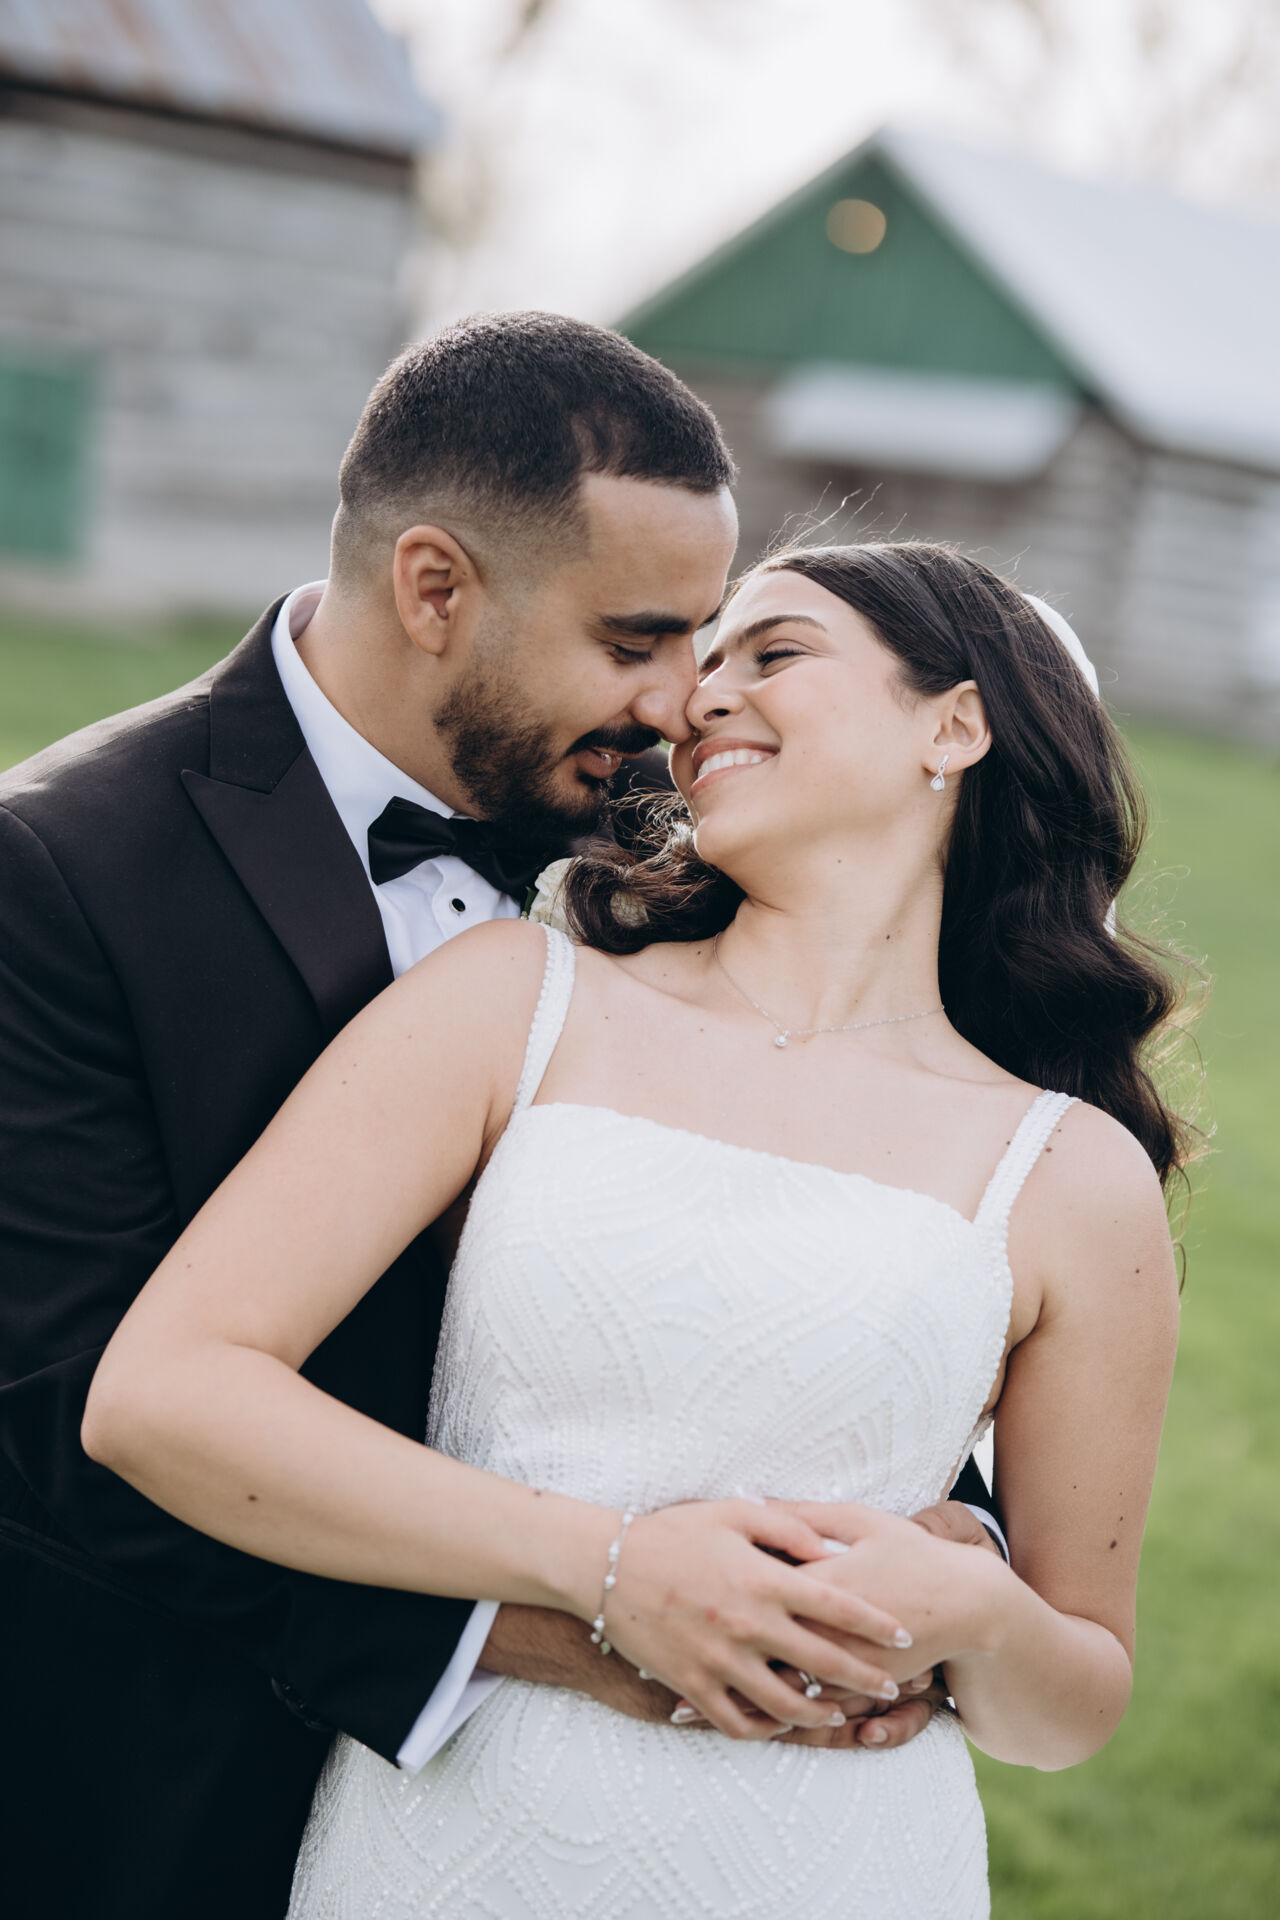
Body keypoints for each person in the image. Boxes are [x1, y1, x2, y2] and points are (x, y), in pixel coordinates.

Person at [0, 315, 961, 1920]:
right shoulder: (59, 871)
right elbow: (66, 1422)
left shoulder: (679, 837)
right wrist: (563, 1630)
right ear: (436, 588)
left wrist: (942, 1526)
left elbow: (840, 1178)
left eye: (707, 637)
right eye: (638, 639)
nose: (682, 703)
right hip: (170, 1780)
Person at [83, 538, 1187, 1917]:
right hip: (453, 1846)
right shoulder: (516, 1001)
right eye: (703, 662)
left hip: (833, 1868)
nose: (701, 697)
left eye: (774, 653)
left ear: (953, 726)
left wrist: (973, 1612)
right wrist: (609, 1568)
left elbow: (1072, 1706)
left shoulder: (1071, 1174)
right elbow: (162, 1396)